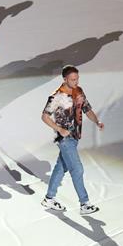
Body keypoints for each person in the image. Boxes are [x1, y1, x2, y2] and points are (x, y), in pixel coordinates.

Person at [41, 65, 103, 215]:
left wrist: (97, 121)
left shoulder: (79, 91)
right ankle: (84, 203)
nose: (75, 82)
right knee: (77, 169)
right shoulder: (57, 97)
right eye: (72, 79)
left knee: (61, 167)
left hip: (75, 137)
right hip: (64, 139)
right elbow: (45, 116)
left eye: (77, 79)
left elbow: (87, 109)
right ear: (65, 79)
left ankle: (49, 198)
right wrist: (59, 129)